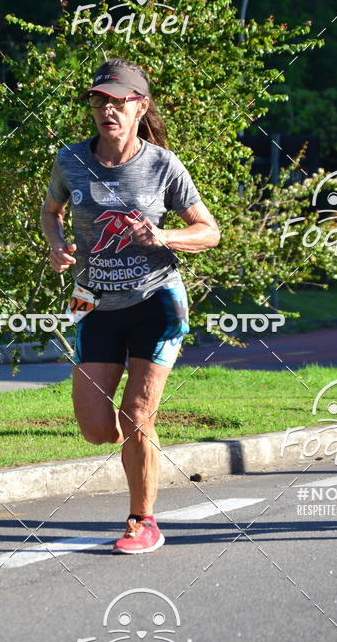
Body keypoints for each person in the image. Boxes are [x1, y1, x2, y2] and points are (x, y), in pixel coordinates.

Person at [41, 58, 219, 554]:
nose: (108, 110)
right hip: (93, 302)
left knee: (138, 414)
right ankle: (141, 445)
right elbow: (50, 211)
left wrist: (163, 235)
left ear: (141, 107)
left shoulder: (163, 166)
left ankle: (143, 520)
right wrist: (56, 244)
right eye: (100, 101)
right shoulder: (70, 160)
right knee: (97, 430)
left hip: (156, 301)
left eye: (119, 102)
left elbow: (210, 230)